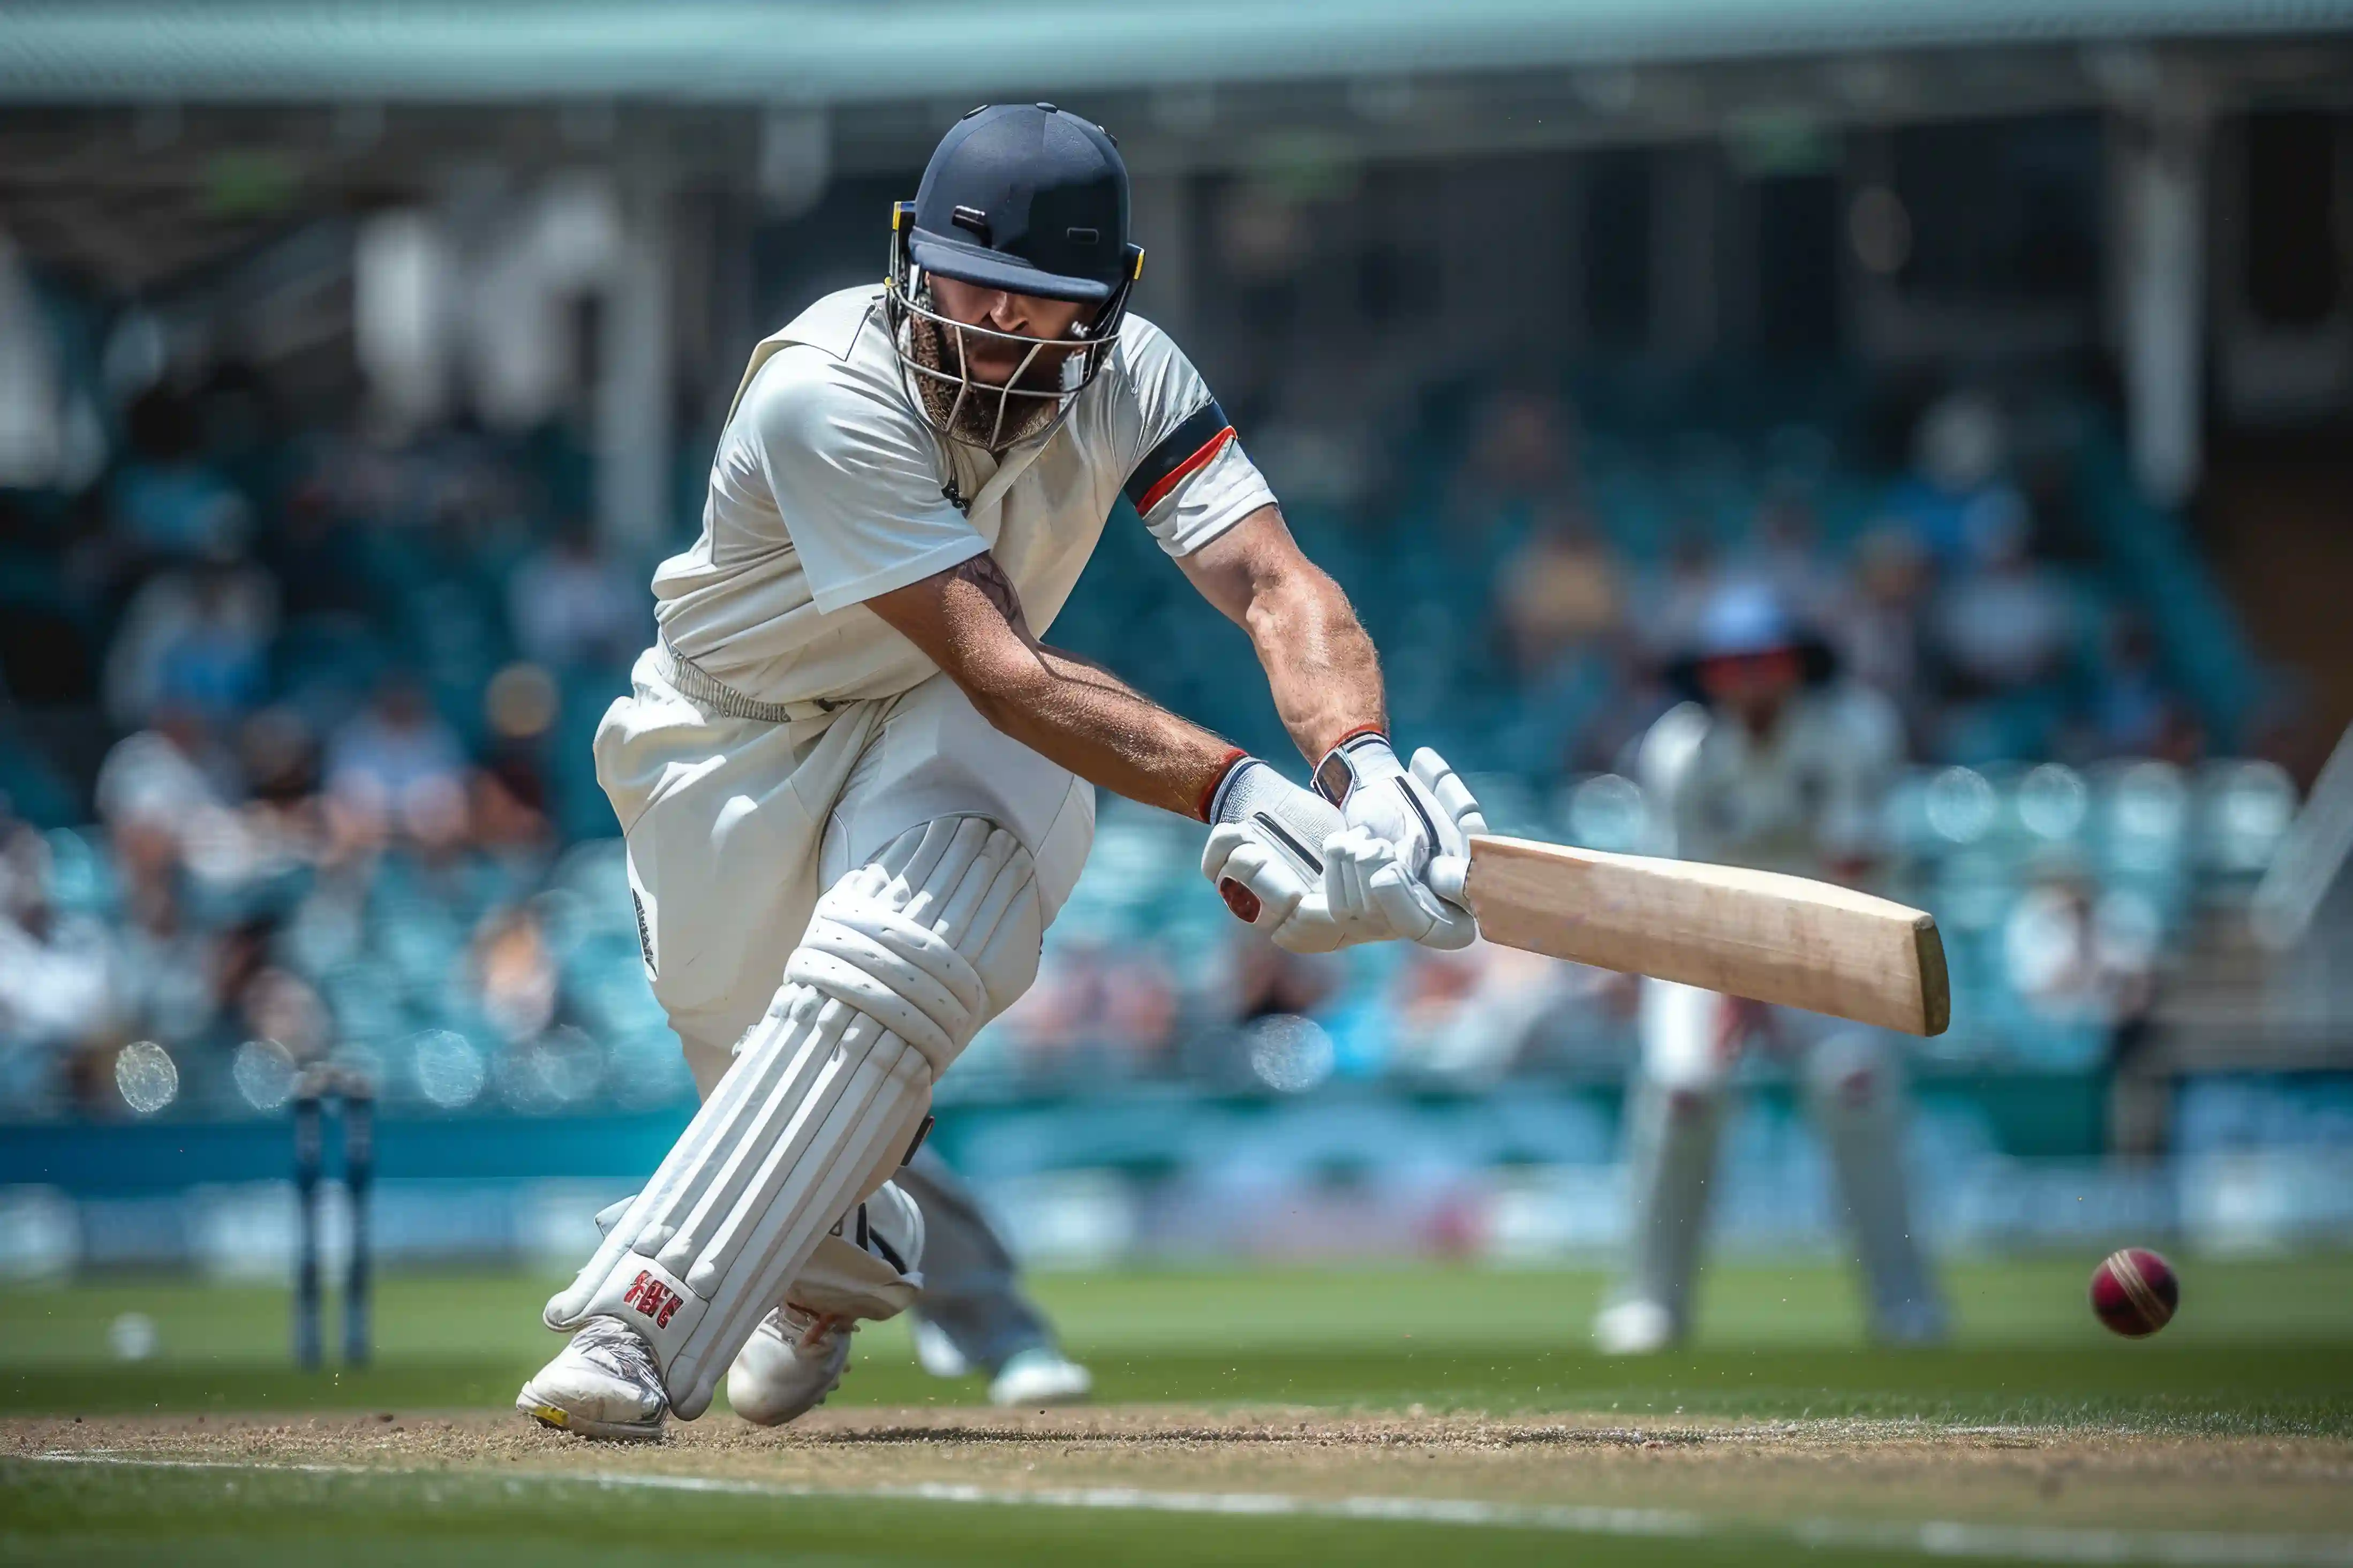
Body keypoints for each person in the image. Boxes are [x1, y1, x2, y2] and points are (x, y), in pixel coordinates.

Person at [518, 104, 1483, 1440]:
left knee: (896, 947)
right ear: (910, 260)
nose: (999, 327)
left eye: (1044, 304)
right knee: (759, 1059)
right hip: (724, 740)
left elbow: (1271, 582)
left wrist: (1363, 772)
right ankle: (836, 1252)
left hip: (939, 713)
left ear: (1106, 301)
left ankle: (640, 1325)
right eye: (976, 288)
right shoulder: (822, 390)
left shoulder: (1133, 373)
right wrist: (1244, 793)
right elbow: (1009, 667)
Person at [1593, 580, 1946, 1355]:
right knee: (1682, 1089)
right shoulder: (1679, 752)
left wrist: (1772, 977)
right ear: (1707, 674)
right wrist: (1732, 980)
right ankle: (1649, 1305)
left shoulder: (1852, 732)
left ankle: (1905, 1306)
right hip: (1704, 943)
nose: (1750, 681)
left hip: (1831, 937)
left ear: (1796, 665)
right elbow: (1677, 890)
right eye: (1732, 665)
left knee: (1856, 1086)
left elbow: (1851, 870)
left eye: (1766, 661)